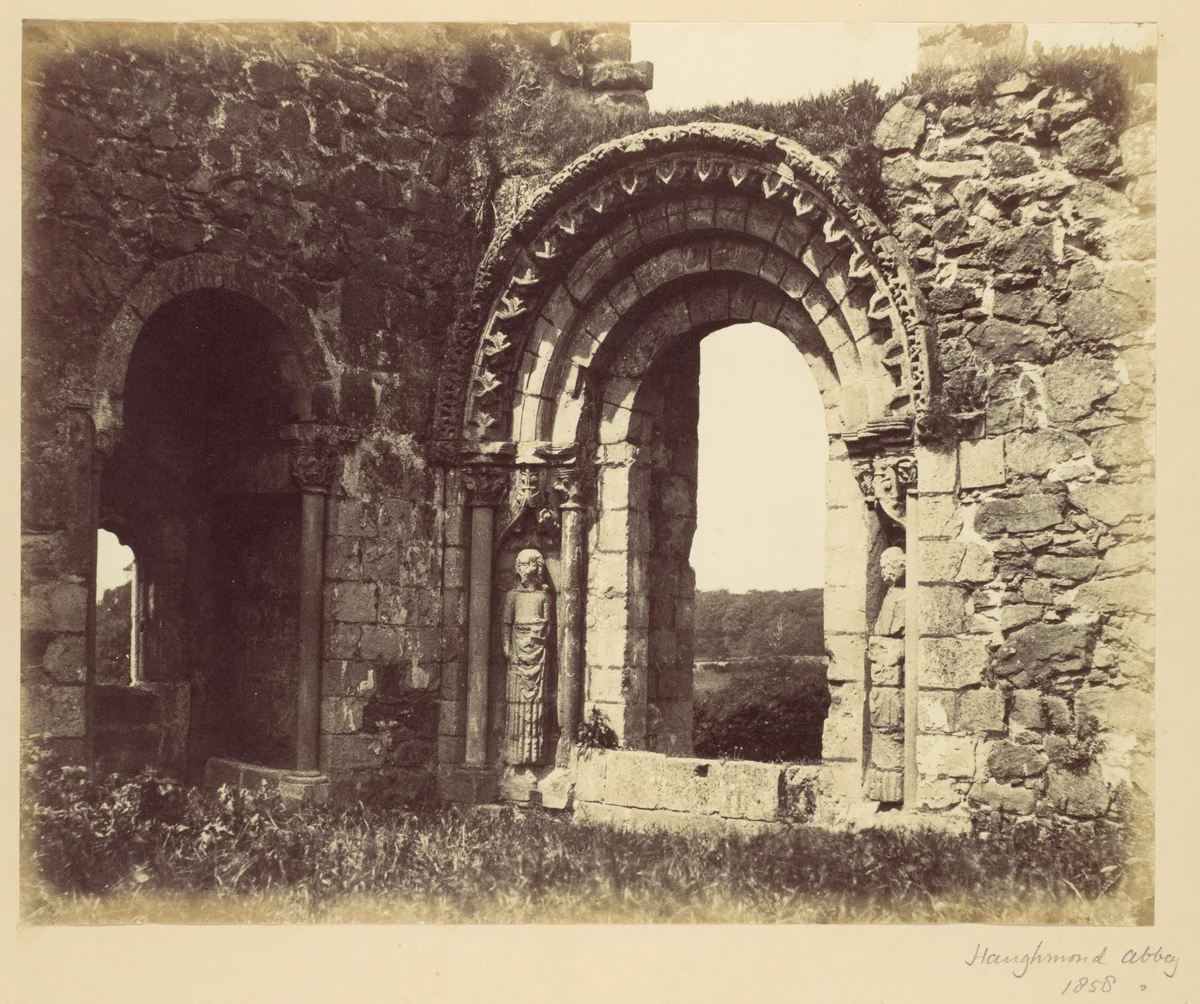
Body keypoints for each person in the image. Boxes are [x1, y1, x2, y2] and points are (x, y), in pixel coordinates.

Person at [502, 549, 552, 765]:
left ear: (538, 567)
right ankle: (514, 754)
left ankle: (535, 755)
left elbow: (548, 626)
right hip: (517, 654)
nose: (524, 569)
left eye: (528, 564)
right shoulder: (512, 596)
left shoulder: (543, 596)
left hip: (537, 655)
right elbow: (506, 624)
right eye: (520, 565)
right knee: (516, 703)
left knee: (536, 702)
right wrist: (507, 646)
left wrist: (538, 637)